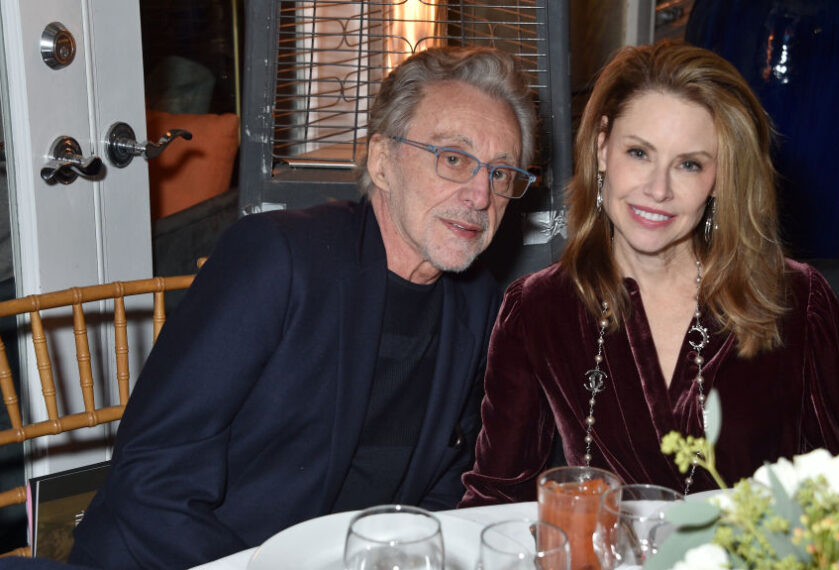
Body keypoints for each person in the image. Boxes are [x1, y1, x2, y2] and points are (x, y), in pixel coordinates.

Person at [69, 45, 537, 569]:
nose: (481, 195)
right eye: (454, 158)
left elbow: (444, 483)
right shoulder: (278, 258)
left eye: (501, 174)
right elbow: (153, 478)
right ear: (382, 161)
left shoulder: (476, 302)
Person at [459, 40, 839, 506]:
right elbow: (497, 500)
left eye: (689, 165)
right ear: (602, 148)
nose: (657, 189)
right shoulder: (538, 309)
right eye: (639, 153)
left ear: (720, 179)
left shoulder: (797, 301)